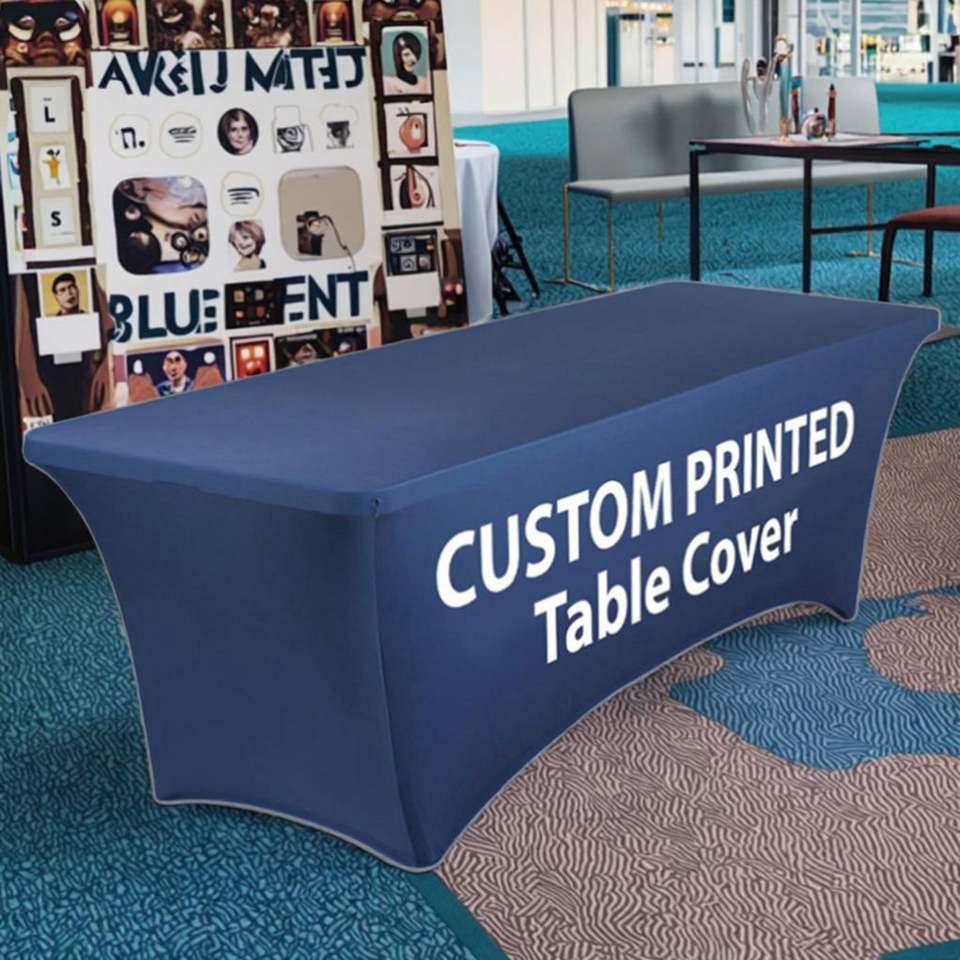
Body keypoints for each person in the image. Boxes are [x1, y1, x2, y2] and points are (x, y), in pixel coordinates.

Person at [383, 31, 429, 95]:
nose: (413, 59)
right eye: (406, 54)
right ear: (398, 56)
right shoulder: (388, 82)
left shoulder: (424, 82)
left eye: (415, 53)